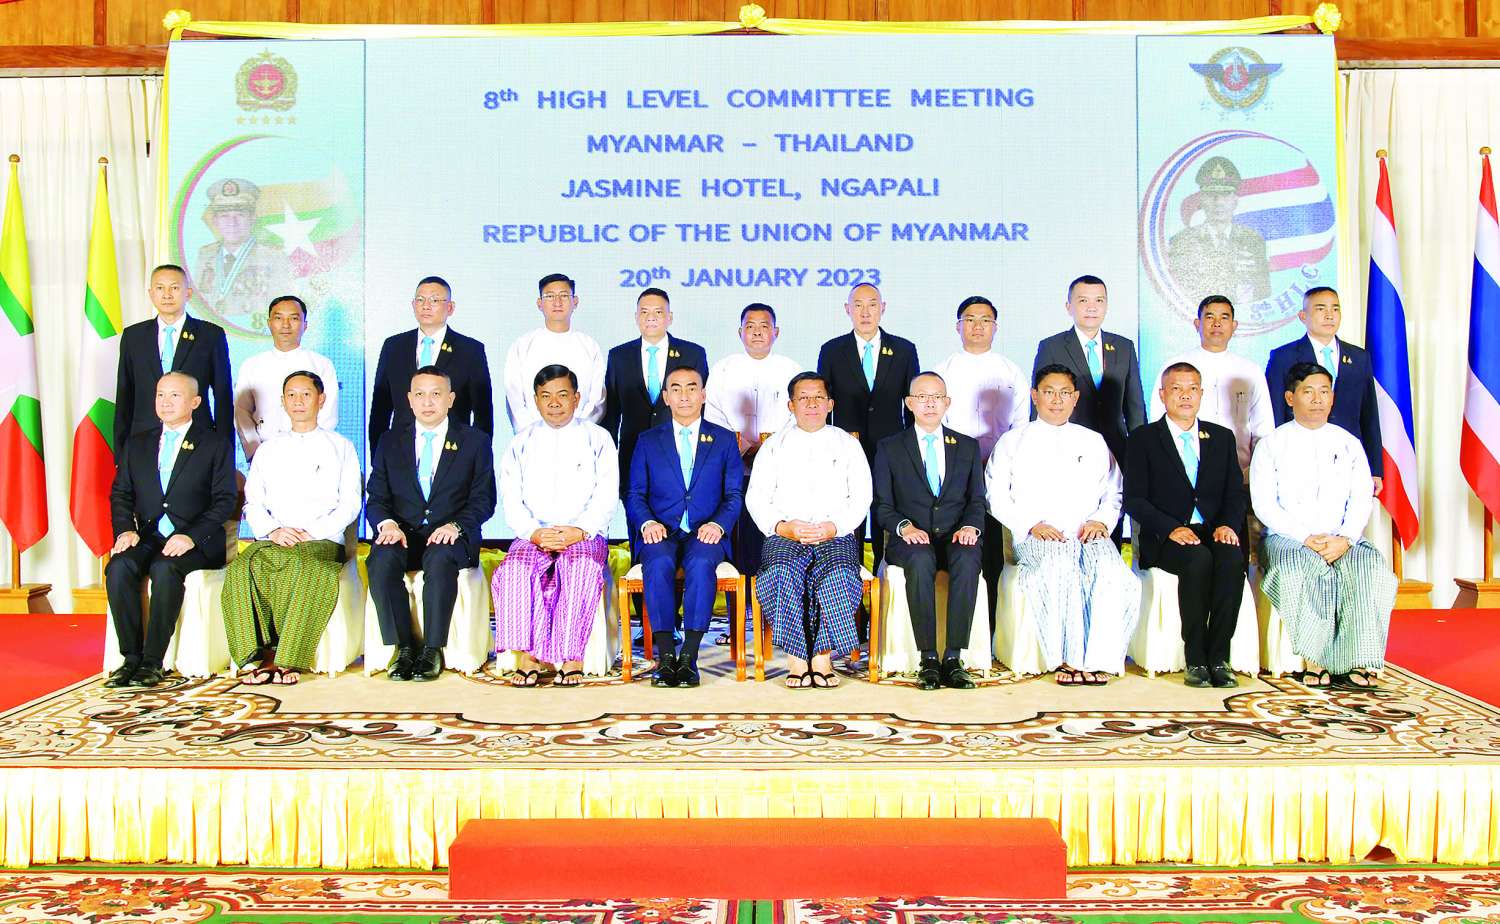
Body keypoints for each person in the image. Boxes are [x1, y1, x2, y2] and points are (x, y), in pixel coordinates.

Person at [985, 364, 1140, 685]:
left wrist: (1101, 520)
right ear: (1034, 396)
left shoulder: (1093, 440)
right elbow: (995, 496)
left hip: (1087, 534)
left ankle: (1099, 660)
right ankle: (1067, 659)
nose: (1057, 400)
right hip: (1037, 536)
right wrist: (1031, 524)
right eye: (1049, 392)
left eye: (1065, 393)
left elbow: (1115, 491)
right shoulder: (1013, 441)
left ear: (1075, 398)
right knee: (1059, 568)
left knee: (1113, 573)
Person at [1250, 361, 1397, 690]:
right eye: (1308, 392)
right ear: (1290, 398)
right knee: (1302, 568)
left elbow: (1361, 498)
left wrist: (1345, 538)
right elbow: (1264, 504)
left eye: (1324, 392)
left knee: (1368, 567)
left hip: (1342, 538)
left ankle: (1358, 660)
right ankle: (1315, 660)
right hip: (1288, 539)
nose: (1317, 399)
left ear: (1333, 398)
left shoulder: (1349, 443)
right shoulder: (1272, 444)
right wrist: (1305, 537)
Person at [221, 371, 363, 684]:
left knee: (304, 565)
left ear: (321, 400)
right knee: (243, 567)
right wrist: (273, 531)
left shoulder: (341, 447)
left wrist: (312, 532)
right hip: (276, 537)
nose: (298, 401)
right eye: (291, 395)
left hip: (322, 540)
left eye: (306, 394)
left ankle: (286, 658)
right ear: (283, 402)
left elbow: (351, 503)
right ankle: (255, 654)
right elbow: (253, 502)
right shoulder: (268, 449)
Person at [103, 372, 237, 688]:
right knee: (119, 567)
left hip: (198, 540)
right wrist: (125, 530)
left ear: (195, 402)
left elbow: (224, 500)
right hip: (150, 535)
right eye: (160, 395)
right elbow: (121, 493)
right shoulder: (138, 443)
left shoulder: (214, 443)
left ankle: (153, 662)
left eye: (175, 395)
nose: (165, 402)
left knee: (165, 568)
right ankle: (130, 659)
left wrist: (191, 536)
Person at [366, 366, 497, 682]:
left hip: (453, 537)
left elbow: (484, 500)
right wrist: (387, 525)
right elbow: (377, 497)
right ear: (409, 400)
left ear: (450, 399)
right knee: (381, 559)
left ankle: (432, 649)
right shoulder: (390, 441)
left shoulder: (474, 441)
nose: (428, 402)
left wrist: (456, 526)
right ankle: (403, 648)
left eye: (436, 394)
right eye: (420, 394)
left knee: (440, 558)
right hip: (403, 535)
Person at [492, 365, 618, 688]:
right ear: (536, 400)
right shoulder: (520, 442)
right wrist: (534, 532)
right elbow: (511, 499)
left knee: (579, 568)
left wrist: (580, 531)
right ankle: (529, 656)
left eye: (562, 395)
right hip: (534, 535)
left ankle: (571, 657)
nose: (554, 403)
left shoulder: (598, 439)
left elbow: (607, 495)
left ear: (576, 398)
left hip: (583, 535)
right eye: (546, 396)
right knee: (514, 570)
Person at [1124, 362, 1249, 688]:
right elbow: (1135, 500)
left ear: (1201, 394)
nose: (1185, 396)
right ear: (1162, 395)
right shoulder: (1143, 439)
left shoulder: (1221, 437)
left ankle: (1219, 657)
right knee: (1198, 560)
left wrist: (1227, 525)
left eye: (1192, 389)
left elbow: (1235, 493)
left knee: (1231, 560)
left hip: (1213, 530)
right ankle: (1196, 658)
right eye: (1176, 389)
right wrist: (1171, 528)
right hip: (1165, 536)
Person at [747, 372, 872, 689]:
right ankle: (796, 659)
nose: (812, 404)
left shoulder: (848, 445)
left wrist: (833, 526)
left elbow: (861, 496)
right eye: (804, 398)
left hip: (834, 534)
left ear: (830, 404)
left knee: (838, 576)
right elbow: (757, 497)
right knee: (781, 573)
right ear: (791, 405)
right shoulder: (773, 446)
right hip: (786, 534)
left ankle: (822, 657)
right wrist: (782, 526)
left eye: (819, 397)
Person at [624, 367, 744, 687]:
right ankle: (665, 656)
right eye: (676, 389)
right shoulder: (648, 441)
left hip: (706, 530)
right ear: (666, 397)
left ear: (703, 395)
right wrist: (647, 522)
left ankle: (689, 656)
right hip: (661, 529)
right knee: (659, 562)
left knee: (702, 563)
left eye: (692, 388)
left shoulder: (723, 440)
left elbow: (734, 495)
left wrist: (718, 525)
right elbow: (635, 493)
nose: (684, 396)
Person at [872, 372, 985, 691]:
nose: (930, 403)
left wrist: (970, 526)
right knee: (920, 559)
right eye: (922, 397)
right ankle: (929, 659)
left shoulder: (967, 446)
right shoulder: (890, 447)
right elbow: (882, 505)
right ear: (909, 403)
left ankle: (953, 657)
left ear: (947, 403)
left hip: (955, 535)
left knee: (967, 558)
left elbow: (977, 500)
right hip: (910, 540)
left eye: (936, 397)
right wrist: (904, 527)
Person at [933, 295, 1028, 614]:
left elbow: (1020, 424)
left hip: (998, 468)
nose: (978, 326)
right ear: (957, 326)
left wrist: (1003, 461)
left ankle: (995, 621)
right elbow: (934, 424)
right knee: (961, 542)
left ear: (995, 327)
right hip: (954, 471)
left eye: (985, 320)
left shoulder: (1010, 371)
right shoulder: (943, 371)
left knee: (995, 546)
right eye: (970, 320)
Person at [817, 283, 920, 566]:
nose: (865, 312)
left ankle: (883, 575)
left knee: (886, 508)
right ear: (847, 309)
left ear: (882, 308)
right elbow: (823, 402)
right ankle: (849, 572)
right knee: (849, 510)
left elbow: (912, 404)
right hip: (846, 446)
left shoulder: (904, 349)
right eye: (858, 305)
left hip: (891, 447)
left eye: (872, 305)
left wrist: (911, 448)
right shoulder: (832, 350)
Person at [704, 303, 802, 575]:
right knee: (737, 531)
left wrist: (766, 448)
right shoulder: (723, 369)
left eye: (764, 326)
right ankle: (739, 593)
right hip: (733, 466)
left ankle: (770, 588)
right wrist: (743, 447)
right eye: (750, 326)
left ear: (776, 332)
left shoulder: (792, 370)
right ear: (740, 332)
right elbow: (713, 414)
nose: (757, 332)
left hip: (777, 468)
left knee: (770, 532)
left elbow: (799, 416)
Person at [1264, 287, 1384, 493]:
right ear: (1303, 316)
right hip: (1298, 457)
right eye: (1321, 309)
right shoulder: (1283, 356)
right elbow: (1274, 411)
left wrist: (1374, 468)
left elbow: (1369, 415)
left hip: (1348, 457)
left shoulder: (1359, 357)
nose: (1330, 315)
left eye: (1335, 309)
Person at [1031, 275, 1145, 473]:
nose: (1092, 308)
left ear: (1106, 306)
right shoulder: (1051, 347)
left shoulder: (1124, 346)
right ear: (1069, 307)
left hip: (1116, 447)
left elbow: (1134, 405)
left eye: (1099, 301)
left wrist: (1140, 448)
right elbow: (1040, 403)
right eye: (1083, 300)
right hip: (1067, 447)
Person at [368, 276, 494, 455]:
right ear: (413, 305)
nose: (426, 306)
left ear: (450, 307)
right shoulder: (394, 347)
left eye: (434, 300)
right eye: (420, 300)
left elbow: (483, 414)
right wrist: (378, 458)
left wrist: (476, 459)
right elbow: (380, 411)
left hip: (454, 454)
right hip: (401, 452)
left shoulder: (470, 350)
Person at [1148, 295, 1274, 473]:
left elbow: (1263, 426)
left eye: (1224, 318)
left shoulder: (1250, 370)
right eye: (1210, 317)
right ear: (1197, 324)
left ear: (1234, 326)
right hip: (1184, 471)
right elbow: (1157, 420)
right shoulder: (1175, 367)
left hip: (1240, 471)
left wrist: (1256, 471)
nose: (1217, 324)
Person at [602, 287, 709, 494]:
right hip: (632, 457)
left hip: (680, 457)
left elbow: (702, 410)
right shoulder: (619, 356)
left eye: (658, 312)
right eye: (644, 312)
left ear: (670, 317)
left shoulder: (692, 353)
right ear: (636, 317)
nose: (651, 317)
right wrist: (605, 461)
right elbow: (611, 415)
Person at [115, 264, 232, 453]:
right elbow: (124, 396)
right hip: (143, 440)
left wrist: (226, 450)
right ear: (151, 293)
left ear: (188, 293)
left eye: (175, 288)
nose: (167, 295)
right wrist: (120, 452)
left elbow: (223, 396)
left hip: (198, 439)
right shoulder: (133, 336)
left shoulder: (210, 335)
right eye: (160, 288)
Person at [233, 295, 338, 459]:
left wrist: (311, 449)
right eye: (278, 318)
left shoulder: (321, 364)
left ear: (305, 325)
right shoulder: (252, 365)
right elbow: (241, 411)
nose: (286, 325)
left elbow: (328, 415)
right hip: (263, 453)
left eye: (294, 318)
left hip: (310, 454)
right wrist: (255, 452)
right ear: (269, 323)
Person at [1165, 156, 1272, 308]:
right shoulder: (1182, 241)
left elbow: (1263, 293)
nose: (1219, 202)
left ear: (1235, 200)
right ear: (1201, 199)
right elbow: (1176, 293)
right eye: (1211, 194)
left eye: (1225, 194)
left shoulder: (1253, 240)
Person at [503, 274, 606, 430]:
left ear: (575, 302)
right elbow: (514, 398)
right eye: (550, 296)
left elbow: (597, 399)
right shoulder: (522, 346)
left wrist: (577, 430)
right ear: (539, 303)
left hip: (580, 436)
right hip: (532, 437)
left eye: (564, 295)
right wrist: (533, 432)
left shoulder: (589, 346)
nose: (557, 302)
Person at [192, 178, 293, 331]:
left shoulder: (273, 257)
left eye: (240, 215)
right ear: (215, 220)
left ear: (252, 218)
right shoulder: (205, 255)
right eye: (224, 216)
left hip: (256, 336)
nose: (232, 222)